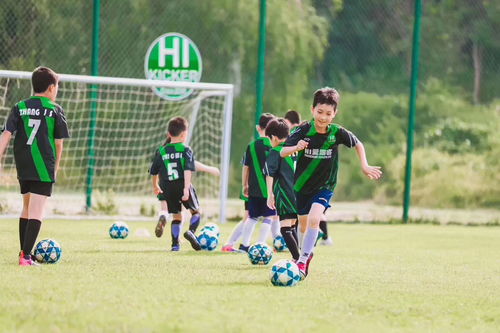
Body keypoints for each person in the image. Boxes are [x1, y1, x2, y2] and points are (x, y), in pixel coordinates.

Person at [281, 87, 382, 278]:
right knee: (302, 226)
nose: (323, 117)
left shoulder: (337, 133)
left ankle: (302, 261)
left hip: (325, 186)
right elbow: (283, 152)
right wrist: (297, 146)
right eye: (320, 112)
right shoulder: (302, 130)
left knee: (314, 219)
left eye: (328, 113)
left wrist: (365, 165)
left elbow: (358, 144)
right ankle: (305, 254)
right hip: (301, 186)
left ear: (334, 114)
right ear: (312, 110)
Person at [0, 67, 70, 266]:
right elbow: (58, 143)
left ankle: (23, 253)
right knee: (37, 211)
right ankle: (26, 257)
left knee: (26, 208)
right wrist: (55, 167)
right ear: (51, 88)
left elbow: (6, 135)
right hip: (42, 165)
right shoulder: (56, 109)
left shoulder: (19, 106)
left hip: (23, 164)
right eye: (57, 86)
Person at [149, 117, 200, 251]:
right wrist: (186, 188)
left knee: (177, 216)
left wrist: (155, 186)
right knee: (195, 212)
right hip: (182, 184)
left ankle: (175, 245)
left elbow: (153, 171)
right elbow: (188, 169)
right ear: (183, 134)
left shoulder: (161, 151)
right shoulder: (186, 149)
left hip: (167, 187)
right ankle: (191, 232)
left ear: (169, 134)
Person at [237, 113, 276, 252]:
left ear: (258, 127)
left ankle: (244, 245)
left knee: (252, 217)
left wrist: (244, 185)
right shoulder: (274, 146)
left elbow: (245, 167)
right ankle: (260, 245)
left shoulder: (251, 146)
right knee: (269, 217)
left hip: (253, 188)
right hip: (270, 191)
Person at [264, 118, 300, 261]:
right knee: (291, 225)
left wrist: (269, 195)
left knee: (284, 228)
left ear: (274, 137)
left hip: (285, 193)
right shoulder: (295, 150)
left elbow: (269, 173)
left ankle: (297, 258)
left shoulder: (276, 151)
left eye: (270, 139)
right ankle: (299, 257)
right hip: (298, 194)